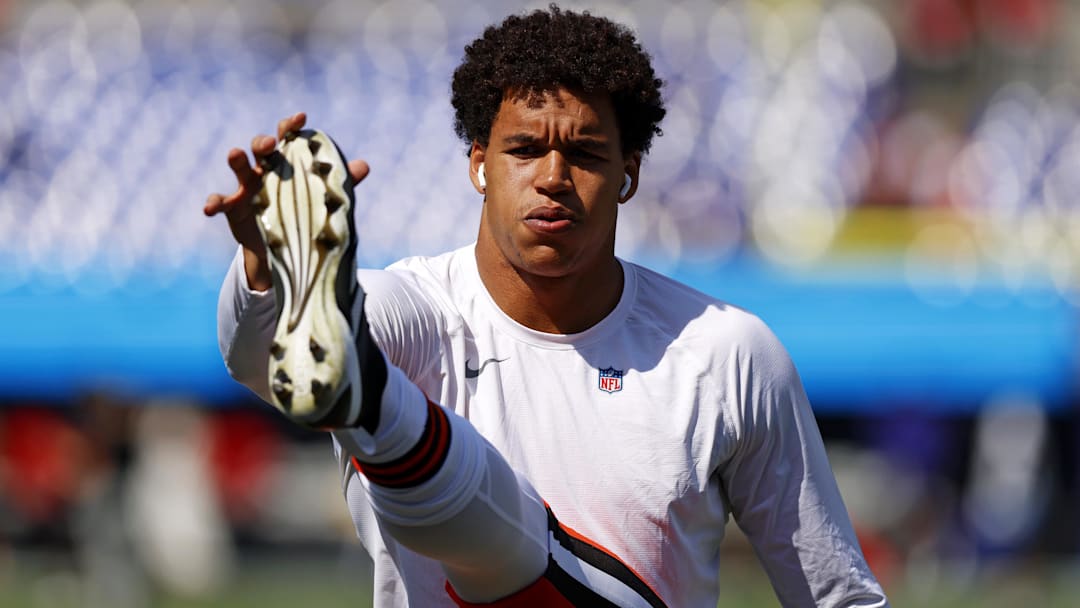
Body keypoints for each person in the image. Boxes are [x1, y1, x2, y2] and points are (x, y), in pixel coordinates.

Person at [205, 6, 888, 607]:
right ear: (479, 163)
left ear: (630, 174)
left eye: (586, 154)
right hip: (380, 376)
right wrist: (271, 271)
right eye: (525, 149)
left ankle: (373, 399)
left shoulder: (726, 353)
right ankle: (366, 384)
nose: (554, 178)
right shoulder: (411, 308)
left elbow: (836, 595)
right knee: (354, 352)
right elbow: (266, 362)